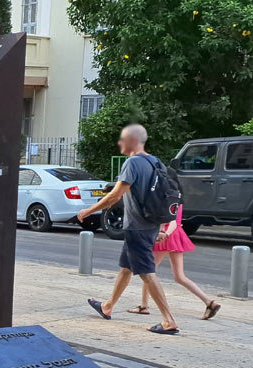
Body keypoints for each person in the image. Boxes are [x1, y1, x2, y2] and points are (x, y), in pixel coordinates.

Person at [77, 124, 180, 335]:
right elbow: (161, 196)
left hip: (137, 228)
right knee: (126, 268)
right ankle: (107, 306)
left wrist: (89, 211)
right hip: (149, 224)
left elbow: (115, 195)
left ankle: (169, 321)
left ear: (132, 141)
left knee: (147, 273)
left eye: (121, 139)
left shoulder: (132, 163)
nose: (119, 143)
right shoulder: (155, 161)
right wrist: (159, 226)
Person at [127, 203, 221, 320]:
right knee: (179, 276)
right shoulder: (177, 199)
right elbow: (175, 222)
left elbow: (168, 221)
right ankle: (209, 302)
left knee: (148, 273)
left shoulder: (166, 198)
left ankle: (144, 306)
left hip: (164, 235)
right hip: (176, 235)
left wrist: (164, 233)